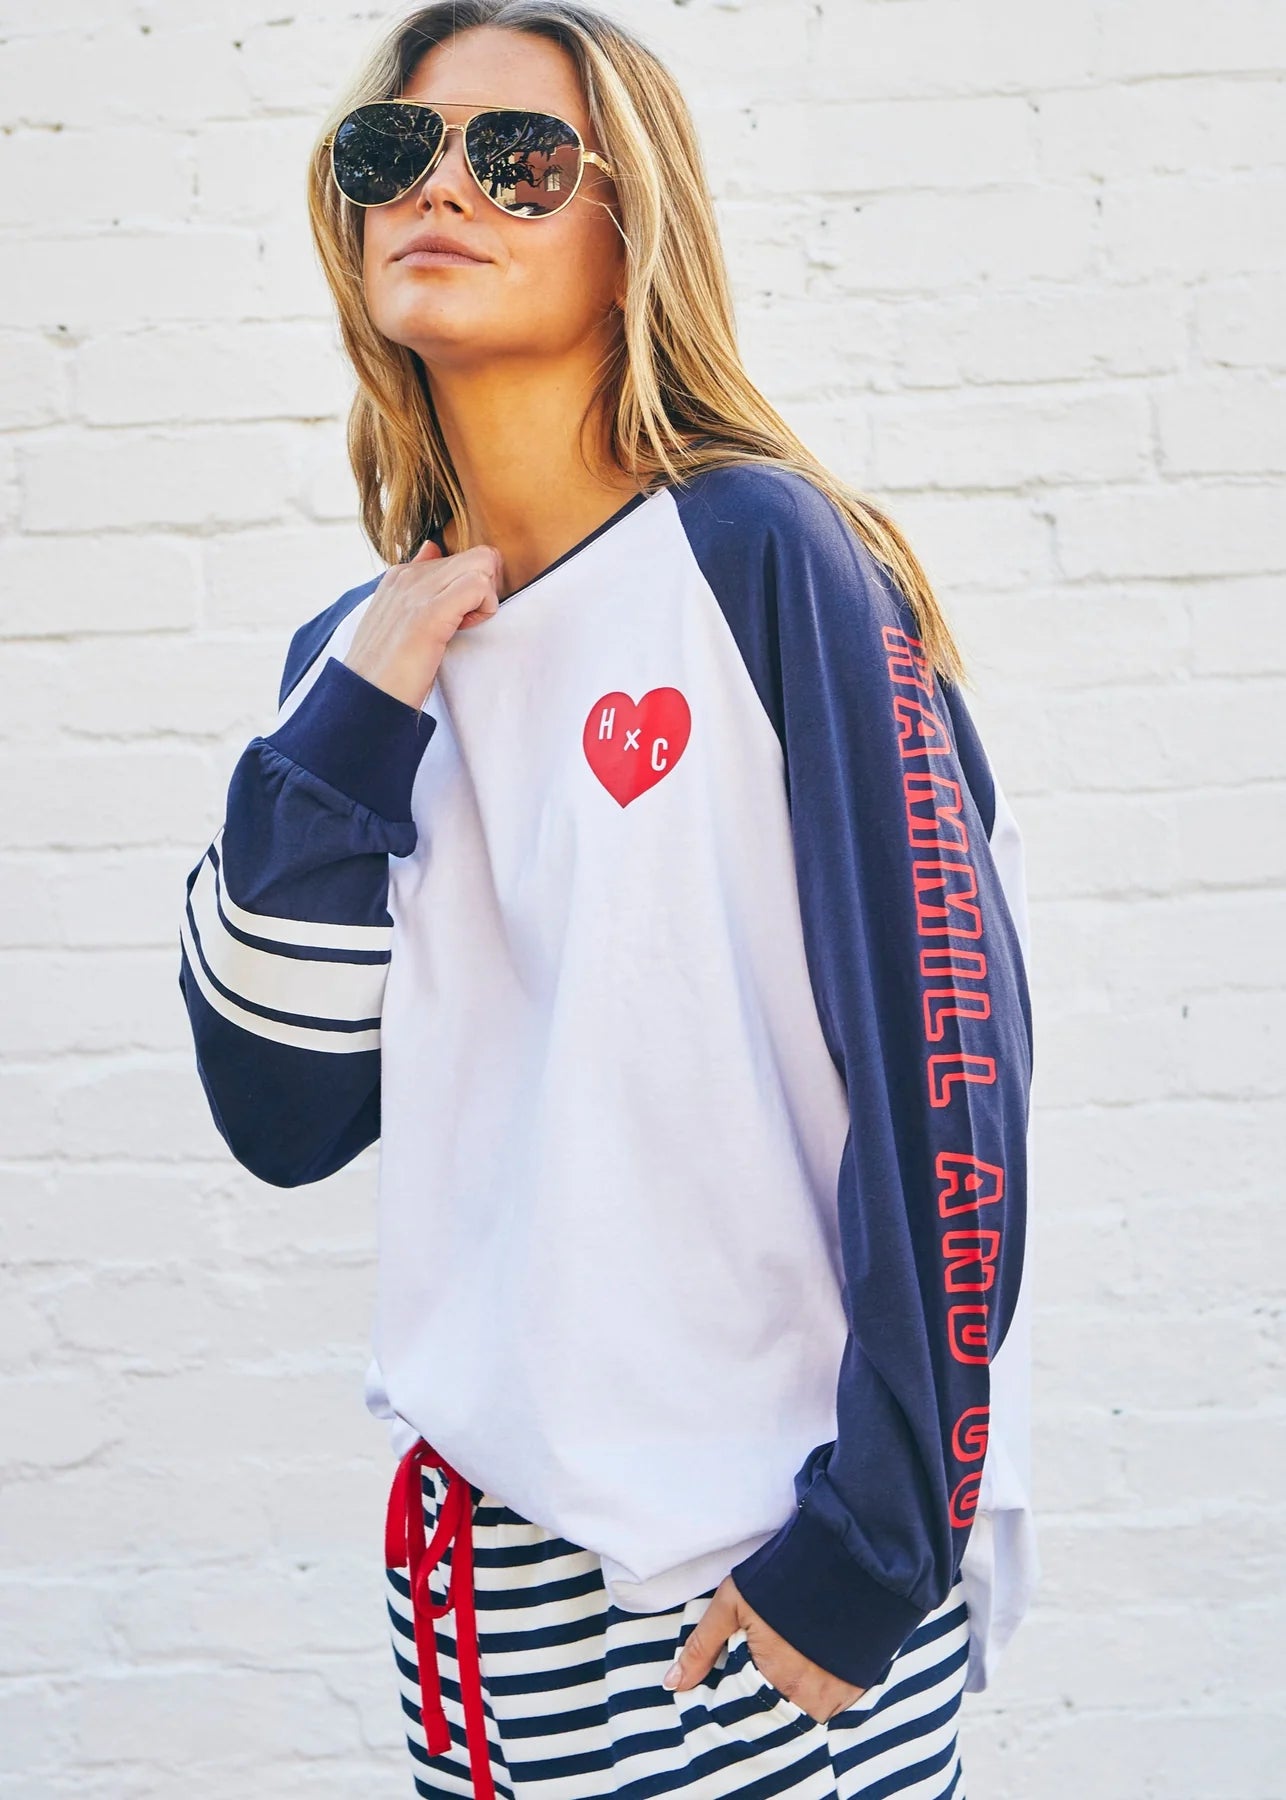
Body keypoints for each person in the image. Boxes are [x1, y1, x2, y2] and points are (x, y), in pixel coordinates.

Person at [177, 3, 1037, 1795]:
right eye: (391, 154)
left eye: (517, 157)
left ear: (626, 221)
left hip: (772, 1566)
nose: (445, 189)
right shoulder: (351, 674)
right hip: (486, 1594)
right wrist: (363, 701)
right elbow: (282, 1105)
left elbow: (944, 1054)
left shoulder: (760, 556)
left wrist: (871, 1544)